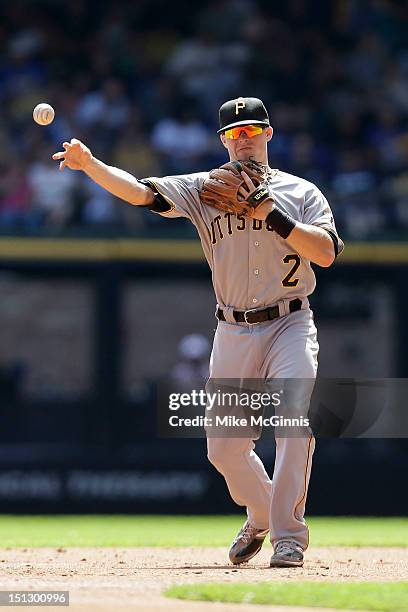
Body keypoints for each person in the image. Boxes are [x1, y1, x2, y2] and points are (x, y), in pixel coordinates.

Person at [52, 96, 343, 568]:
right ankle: (260, 513)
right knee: (224, 448)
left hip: (290, 321)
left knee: (293, 422)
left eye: (252, 130)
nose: (243, 139)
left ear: (269, 133)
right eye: (234, 133)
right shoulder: (204, 189)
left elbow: (326, 254)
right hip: (232, 330)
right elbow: (141, 192)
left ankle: (288, 537)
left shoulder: (302, 193)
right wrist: (91, 166)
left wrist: (270, 211)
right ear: (223, 141)